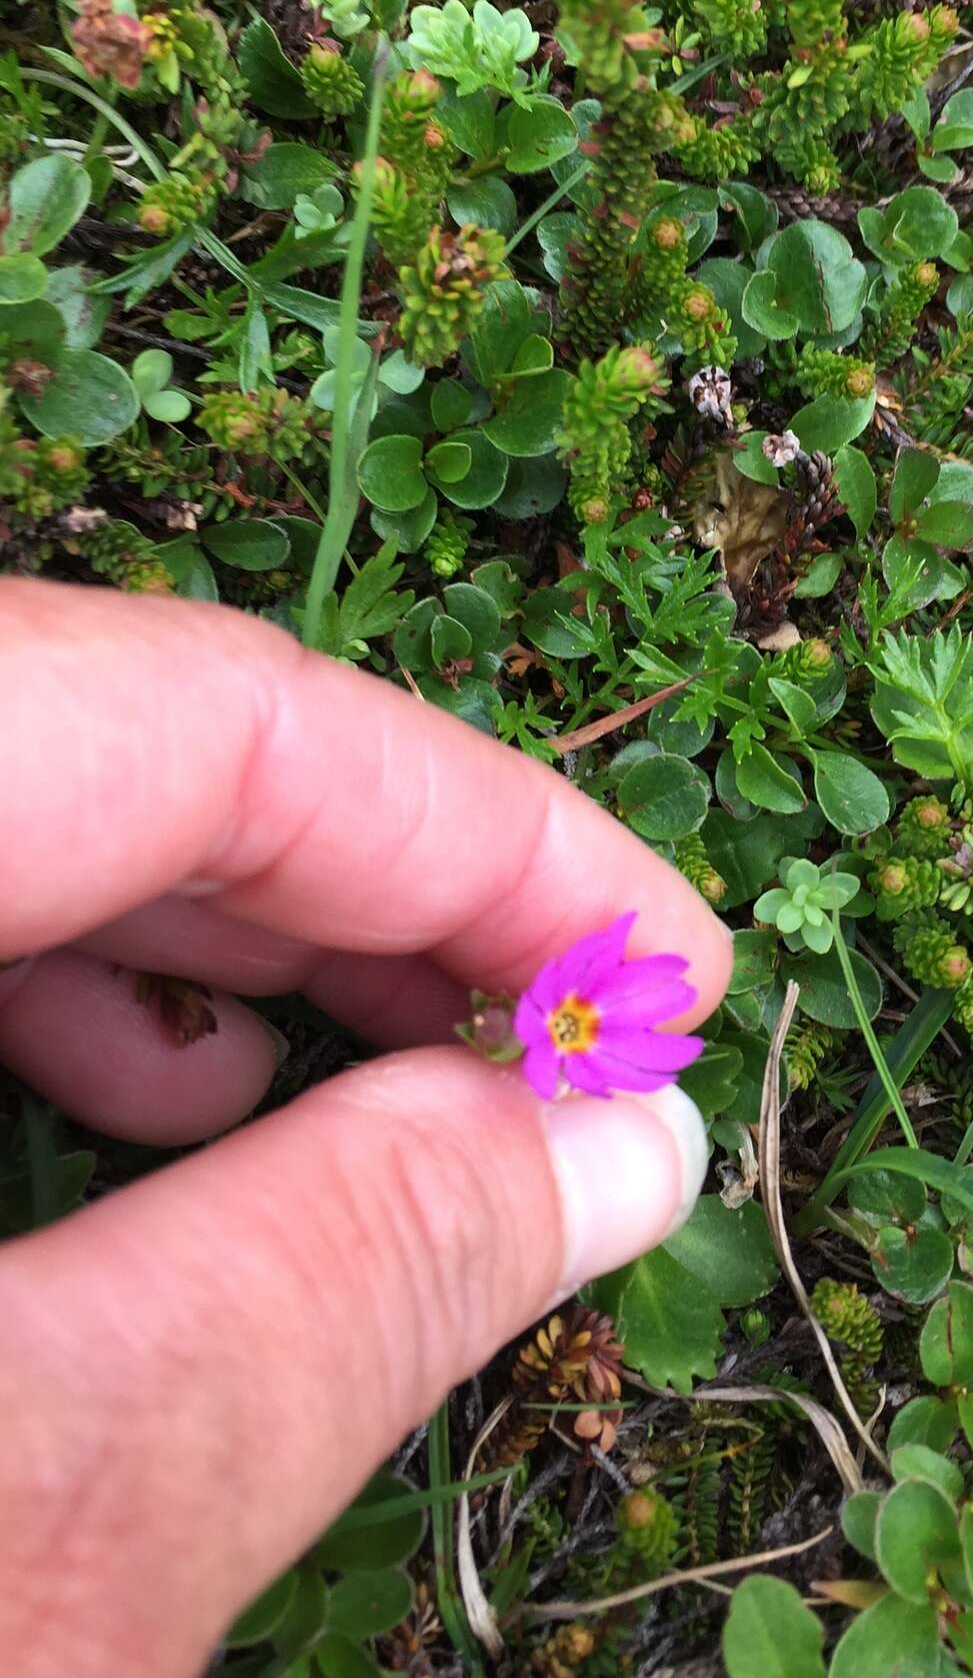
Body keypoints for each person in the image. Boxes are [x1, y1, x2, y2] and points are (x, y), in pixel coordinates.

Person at [0, 579, 730, 1677]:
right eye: (570, 1019)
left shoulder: (561, 1024)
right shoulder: (539, 1023)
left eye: (576, 1024)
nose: (574, 1023)